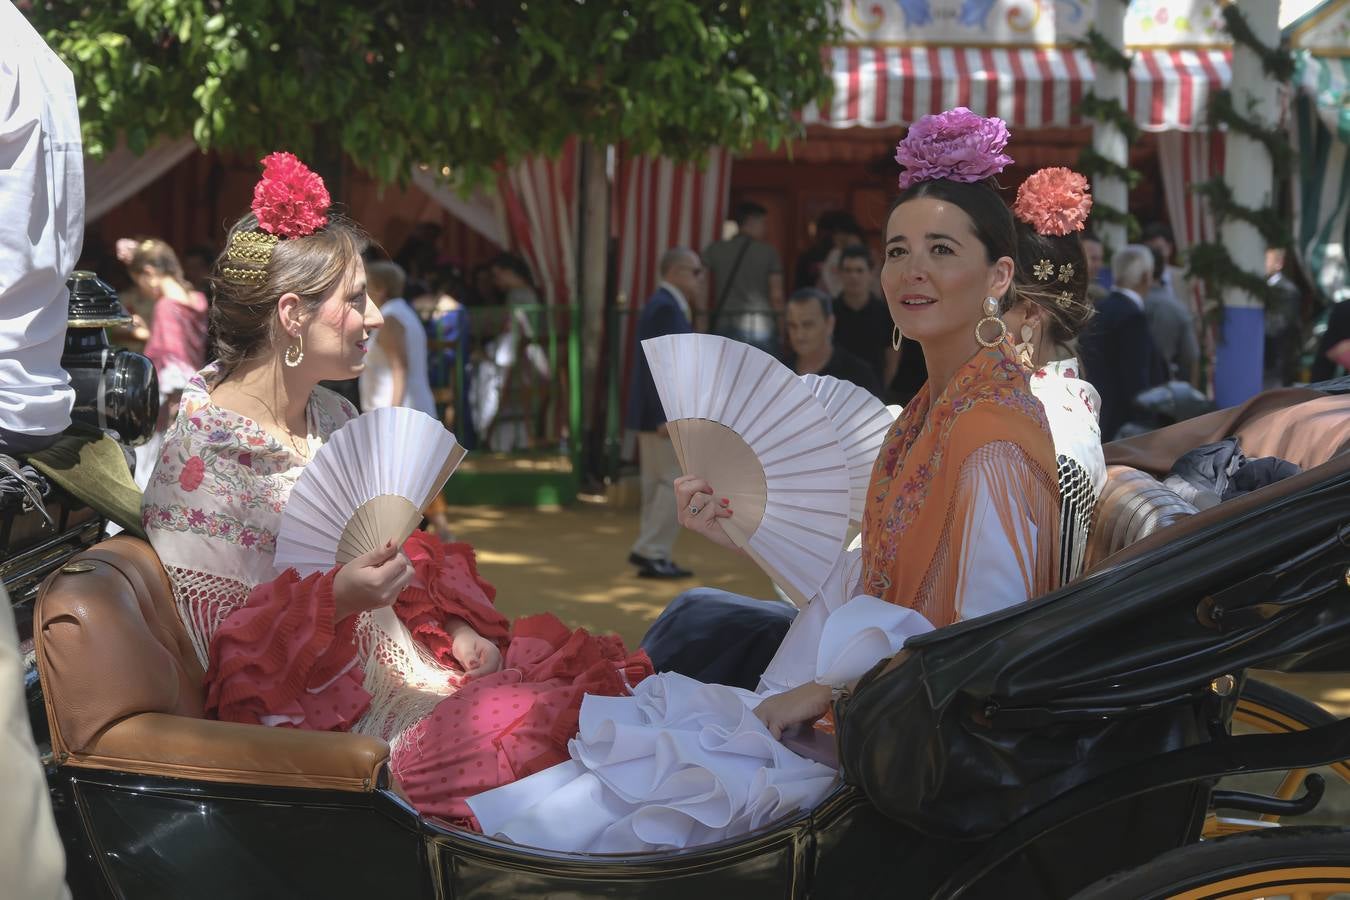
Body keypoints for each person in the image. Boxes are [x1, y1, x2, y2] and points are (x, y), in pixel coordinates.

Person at [467, 108, 1061, 852]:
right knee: (613, 765)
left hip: (913, 747)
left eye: (942, 250)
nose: (912, 272)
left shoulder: (990, 431)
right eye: (897, 250)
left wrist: (830, 693)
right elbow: (869, 578)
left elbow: (983, 643)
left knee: (625, 791)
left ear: (999, 275)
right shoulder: (929, 411)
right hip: (866, 710)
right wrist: (745, 529)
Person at [141, 152, 651, 830]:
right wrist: (335, 601)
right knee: (561, 730)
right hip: (340, 741)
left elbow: (395, 555)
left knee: (596, 700)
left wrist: (456, 624)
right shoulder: (204, 454)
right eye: (355, 300)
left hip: (414, 675)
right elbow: (228, 672)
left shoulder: (333, 415)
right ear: (292, 315)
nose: (376, 317)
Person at [1006, 167, 1108, 583]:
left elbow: (1047, 592)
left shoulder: (1057, 437)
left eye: (991, 300)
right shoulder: (1045, 407)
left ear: (1031, 313)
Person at [626, 248, 703, 580]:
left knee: (658, 483)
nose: (699, 280)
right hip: (662, 413)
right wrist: (665, 414)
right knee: (669, 482)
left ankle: (649, 549)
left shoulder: (662, 306)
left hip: (654, 411)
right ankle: (652, 550)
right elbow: (663, 365)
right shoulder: (666, 308)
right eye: (695, 272)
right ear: (674, 272)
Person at [125, 238, 210, 487]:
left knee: (151, 464)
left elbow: (170, 360)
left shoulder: (165, 306)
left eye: (138, 281)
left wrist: (143, 336)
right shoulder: (197, 300)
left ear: (149, 273)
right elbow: (181, 349)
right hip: (194, 388)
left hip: (168, 398)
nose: (141, 289)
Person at [1078, 244, 1165, 441]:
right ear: (1146, 276)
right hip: (1123, 425)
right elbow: (1136, 377)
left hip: (1096, 414)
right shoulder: (1133, 317)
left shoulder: (1100, 308)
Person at [358, 260, 437, 418]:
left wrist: (393, 416)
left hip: (398, 414)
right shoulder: (402, 312)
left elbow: (400, 368)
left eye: (366, 287)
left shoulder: (391, 318)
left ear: (381, 289)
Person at [704, 201, 785, 355]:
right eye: (763, 222)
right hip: (761, 326)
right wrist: (782, 330)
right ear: (751, 221)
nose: (765, 228)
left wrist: (702, 324)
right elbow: (777, 296)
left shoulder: (715, 249)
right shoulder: (769, 253)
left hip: (724, 322)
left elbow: (701, 287)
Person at [781, 288, 883, 397]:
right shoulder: (780, 373)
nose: (799, 334)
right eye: (792, 325)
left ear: (829, 323)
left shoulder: (858, 375)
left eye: (807, 325)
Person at [832, 245, 900, 390]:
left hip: (875, 393)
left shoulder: (886, 313)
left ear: (871, 273)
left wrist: (880, 389)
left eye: (859, 270)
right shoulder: (829, 312)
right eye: (848, 270)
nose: (853, 276)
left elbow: (892, 360)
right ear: (839, 273)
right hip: (835, 393)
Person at [1144, 245, 1200, 385]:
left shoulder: (1119, 305)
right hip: (1166, 385)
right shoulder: (1176, 308)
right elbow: (1191, 357)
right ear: (1163, 269)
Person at [1264, 247, 1305, 388]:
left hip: (1277, 364)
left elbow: (1279, 325)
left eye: (1265, 260)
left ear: (1279, 263)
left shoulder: (1287, 291)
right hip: (1263, 363)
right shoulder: (1261, 288)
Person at [1081, 231, 1107, 303]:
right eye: (1093, 258)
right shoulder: (1064, 291)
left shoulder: (1101, 295)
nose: (1098, 265)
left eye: (1100, 259)